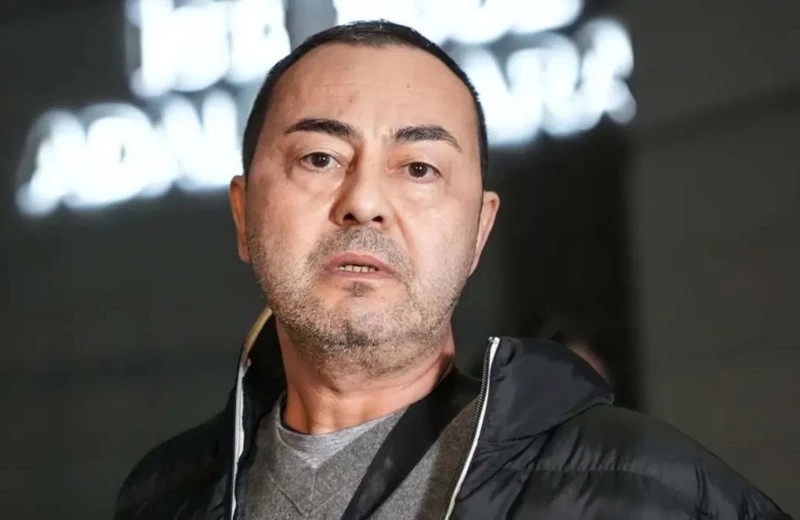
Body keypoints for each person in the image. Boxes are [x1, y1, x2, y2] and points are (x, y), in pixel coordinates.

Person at [113, 21, 791, 520]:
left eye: (418, 168)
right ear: (243, 214)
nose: (365, 202)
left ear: (478, 232)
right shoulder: (162, 499)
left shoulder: (645, 490)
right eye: (319, 158)